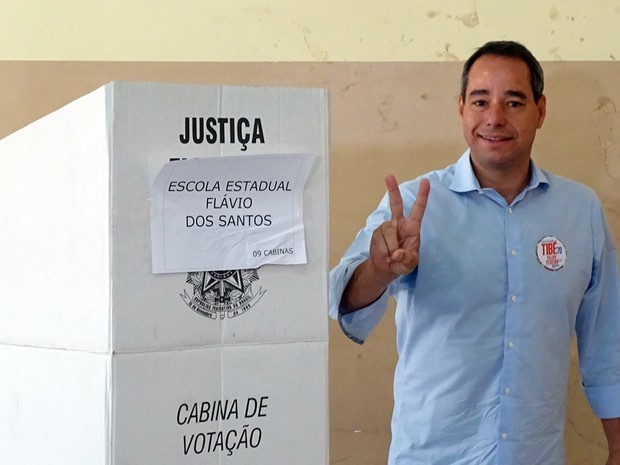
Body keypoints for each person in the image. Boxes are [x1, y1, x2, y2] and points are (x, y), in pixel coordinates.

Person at [329, 40, 620, 465]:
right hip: (431, 456)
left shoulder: (580, 211)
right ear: (462, 108)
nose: (494, 118)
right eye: (480, 101)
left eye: (514, 102)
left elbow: (606, 340)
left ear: (540, 110)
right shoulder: (415, 203)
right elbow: (344, 302)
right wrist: (378, 270)